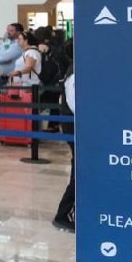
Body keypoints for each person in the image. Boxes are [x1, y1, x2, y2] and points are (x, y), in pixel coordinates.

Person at [53, 39, 75, 232]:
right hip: (73, 125)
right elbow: (75, 105)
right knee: (79, 169)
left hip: (73, 123)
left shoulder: (74, 69)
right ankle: (64, 213)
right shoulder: (75, 72)